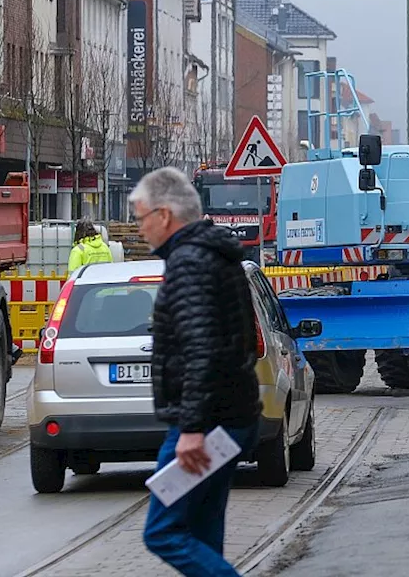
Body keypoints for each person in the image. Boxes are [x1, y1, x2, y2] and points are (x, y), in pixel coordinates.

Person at [132, 167, 262, 576]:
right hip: (231, 417)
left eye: (140, 218)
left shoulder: (189, 263)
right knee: (204, 531)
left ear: (165, 215)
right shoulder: (216, 255)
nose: (139, 230)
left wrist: (190, 428)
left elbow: (202, 350)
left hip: (205, 426)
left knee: (163, 532)